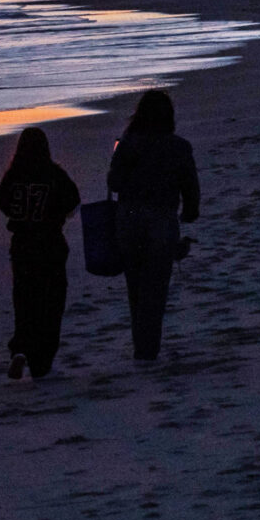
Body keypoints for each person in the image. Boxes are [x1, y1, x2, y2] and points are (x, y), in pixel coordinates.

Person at [106, 89, 199, 362]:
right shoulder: (179, 147)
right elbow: (190, 186)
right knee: (155, 289)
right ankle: (149, 349)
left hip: (129, 218)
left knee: (135, 286)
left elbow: (114, 183)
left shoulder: (128, 144)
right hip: (161, 218)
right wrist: (190, 212)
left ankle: (141, 348)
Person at [0, 126, 80, 378]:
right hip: (51, 243)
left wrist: (19, 214)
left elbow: (2, 202)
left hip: (22, 244)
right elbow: (73, 199)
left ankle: (20, 348)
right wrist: (58, 215)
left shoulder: (13, 175)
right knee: (52, 302)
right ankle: (42, 362)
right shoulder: (54, 173)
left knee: (24, 300)